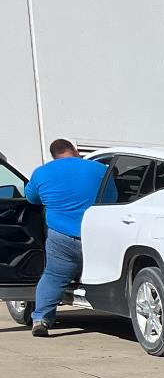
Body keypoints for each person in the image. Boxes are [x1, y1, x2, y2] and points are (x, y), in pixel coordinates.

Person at [23, 139, 112, 339]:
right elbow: (112, 198)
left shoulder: (42, 172)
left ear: (53, 155)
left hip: (61, 236)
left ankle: (41, 320)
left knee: (53, 276)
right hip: (97, 235)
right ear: (76, 150)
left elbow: (31, 199)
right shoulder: (99, 168)